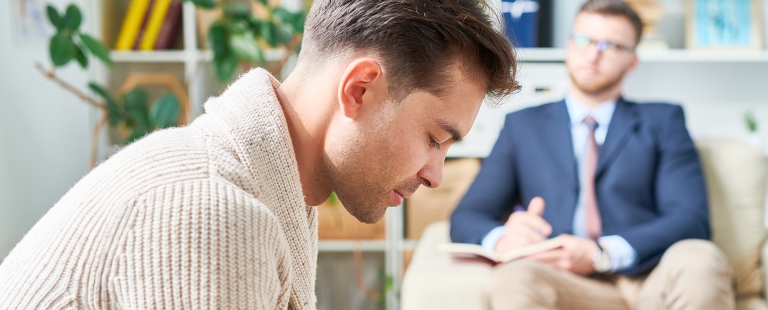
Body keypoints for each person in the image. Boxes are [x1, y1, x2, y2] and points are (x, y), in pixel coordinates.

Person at [0, 0, 519, 308]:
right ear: (360, 90)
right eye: (435, 137)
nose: (435, 175)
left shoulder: (275, 189)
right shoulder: (208, 212)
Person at [450, 0, 735, 309]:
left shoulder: (663, 120)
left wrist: (602, 253)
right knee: (514, 277)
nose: (593, 53)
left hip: (649, 278)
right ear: (569, 44)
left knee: (700, 258)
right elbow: (467, 217)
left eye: (611, 45)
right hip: (565, 281)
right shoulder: (523, 126)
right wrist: (504, 238)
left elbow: (691, 219)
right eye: (583, 39)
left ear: (632, 61)